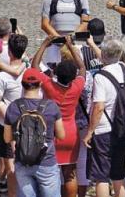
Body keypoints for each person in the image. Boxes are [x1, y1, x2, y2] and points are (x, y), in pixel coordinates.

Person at [31, 36, 86, 197]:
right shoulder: (76, 87)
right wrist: (70, 46)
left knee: (49, 174)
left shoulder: (49, 86)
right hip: (70, 133)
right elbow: (82, 68)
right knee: (70, 174)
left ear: (55, 72)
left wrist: (44, 44)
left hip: (51, 133)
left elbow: (35, 66)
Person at [3, 68, 64, 197]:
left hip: (22, 161)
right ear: (40, 84)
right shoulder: (51, 106)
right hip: (47, 161)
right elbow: (61, 135)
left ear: (22, 84)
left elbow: (7, 138)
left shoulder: (13, 107)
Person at [81, 39, 125, 197]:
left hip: (103, 130)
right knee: (118, 175)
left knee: (101, 176)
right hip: (121, 127)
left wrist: (90, 132)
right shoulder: (122, 68)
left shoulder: (100, 77)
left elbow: (99, 107)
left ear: (103, 55)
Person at [0, 33, 27, 196]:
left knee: (10, 163)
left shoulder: (1, 77)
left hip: (6, 124)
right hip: (27, 120)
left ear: (9, 52)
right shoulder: (29, 69)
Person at [40, 0, 90, 66]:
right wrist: (60, 40)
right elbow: (44, 24)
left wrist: (71, 38)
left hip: (76, 43)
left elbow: (85, 22)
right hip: (55, 44)